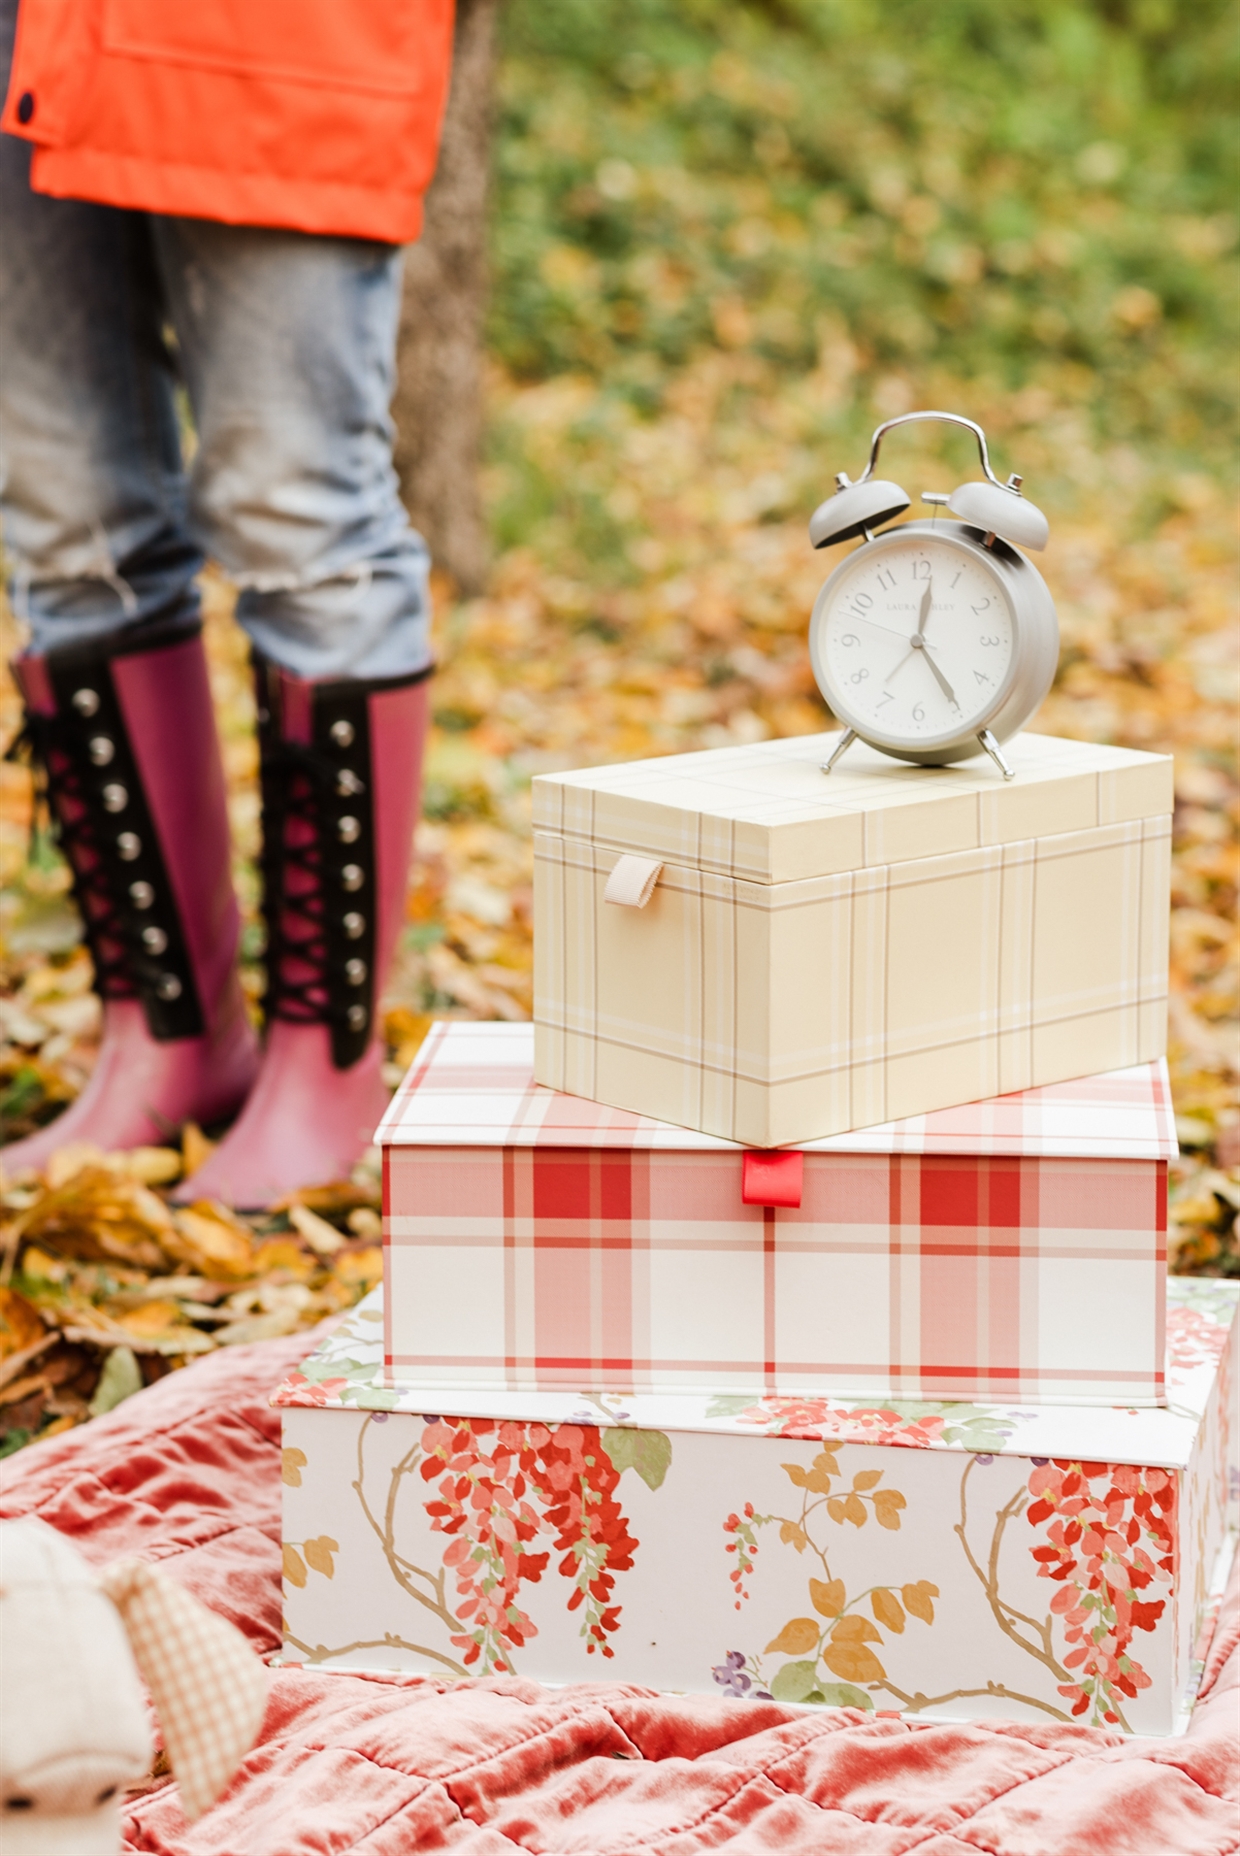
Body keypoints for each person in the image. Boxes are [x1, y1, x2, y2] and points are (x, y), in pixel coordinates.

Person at [0, 0, 456, 1204]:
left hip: (270, 37)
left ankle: (327, 1064)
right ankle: (164, 1035)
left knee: (297, 506)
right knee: (63, 515)